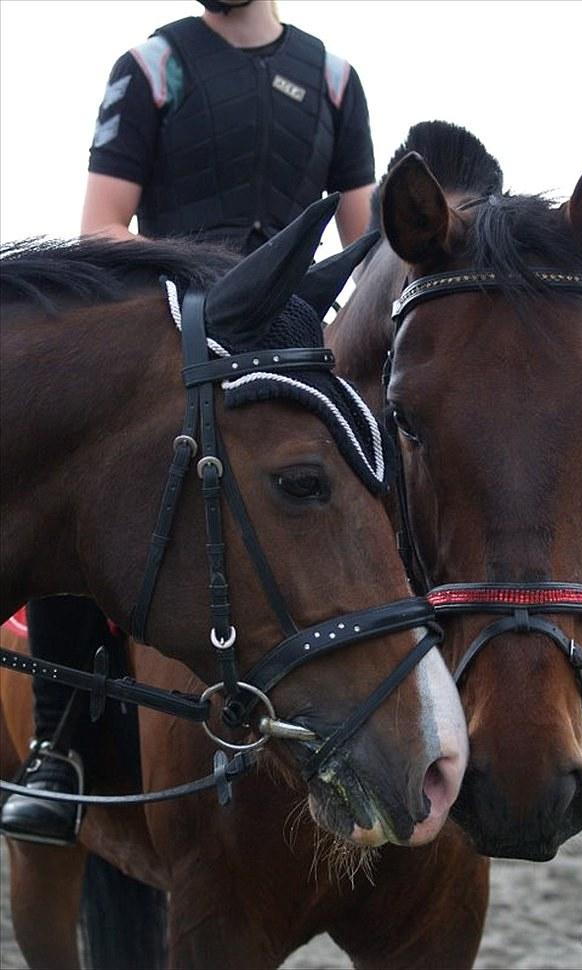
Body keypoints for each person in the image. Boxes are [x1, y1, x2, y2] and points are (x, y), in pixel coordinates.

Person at [1, 0, 376, 846]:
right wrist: (211, 287)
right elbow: (102, 224)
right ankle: (56, 747)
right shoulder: (152, 66)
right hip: (184, 334)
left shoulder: (334, 78)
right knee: (79, 469)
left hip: (292, 342)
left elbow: (367, 242)